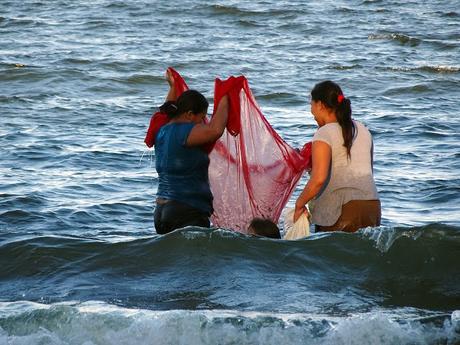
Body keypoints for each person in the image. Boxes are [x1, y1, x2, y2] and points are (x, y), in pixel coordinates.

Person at [294, 81, 380, 232]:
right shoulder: (363, 130)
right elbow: (366, 172)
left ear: (320, 104)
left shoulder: (324, 132)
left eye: (311, 104)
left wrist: (299, 205)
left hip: (341, 211)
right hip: (372, 208)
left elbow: (319, 179)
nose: (311, 111)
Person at [149, 69, 229, 234]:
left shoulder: (161, 129)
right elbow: (215, 130)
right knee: (197, 259)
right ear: (189, 114)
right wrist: (226, 95)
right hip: (186, 210)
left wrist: (172, 87)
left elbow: (168, 108)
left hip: (161, 211)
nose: (203, 122)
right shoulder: (186, 131)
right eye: (202, 117)